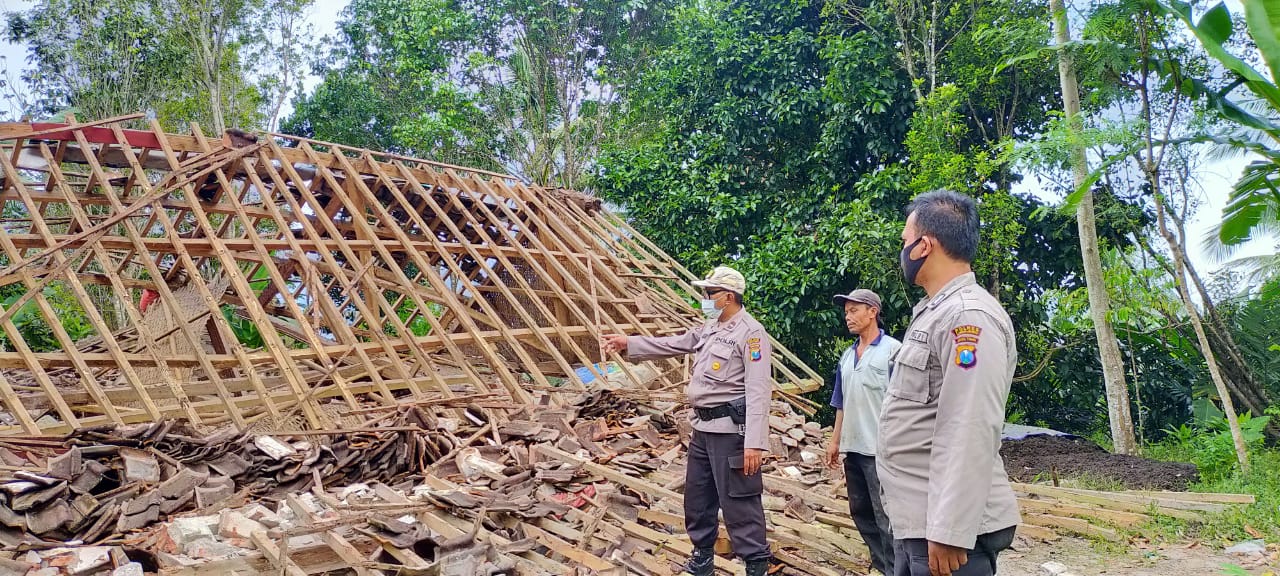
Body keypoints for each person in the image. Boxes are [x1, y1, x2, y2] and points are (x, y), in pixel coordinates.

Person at [877, 190, 1021, 576]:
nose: (903, 250)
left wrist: (950, 530)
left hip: (949, 538)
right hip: (920, 522)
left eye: (905, 242)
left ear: (925, 245)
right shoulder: (934, 312)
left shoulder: (967, 317)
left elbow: (969, 425)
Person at [601, 266, 774, 576]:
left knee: (739, 501)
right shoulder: (711, 327)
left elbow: (759, 391)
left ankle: (756, 564)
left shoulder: (751, 333)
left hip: (730, 432)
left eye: (709, 293)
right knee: (698, 496)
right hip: (703, 430)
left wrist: (755, 443)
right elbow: (674, 344)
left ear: (728, 296)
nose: (704, 299)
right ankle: (702, 558)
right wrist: (630, 343)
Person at [824, 288, 900, 575]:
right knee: (861, 513)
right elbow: (840, 403)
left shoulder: (893, 351)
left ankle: (897, 570)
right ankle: (883, 568)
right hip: (853, 450)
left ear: (873, 311)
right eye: (846, 312)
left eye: (854, 310)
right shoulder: (847, 356)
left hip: (880, 451)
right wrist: (834, 441)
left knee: (886, 518)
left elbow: (905, 403)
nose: (848, 317)